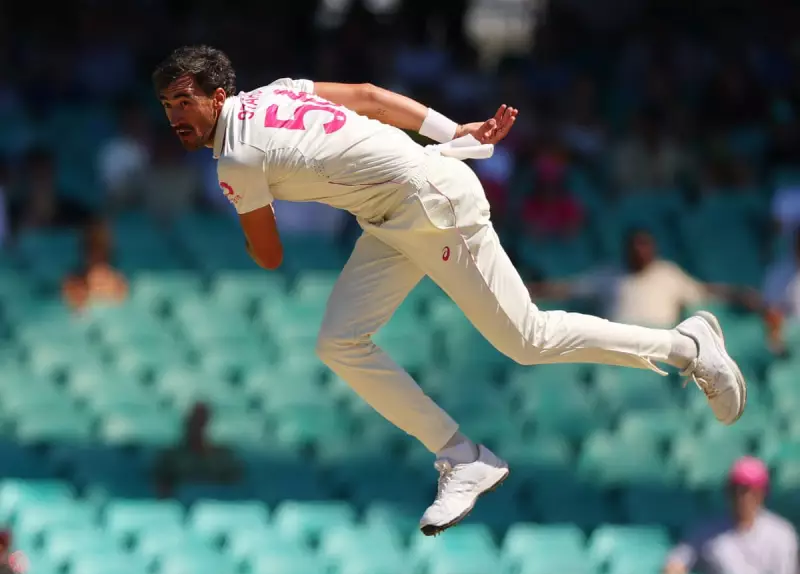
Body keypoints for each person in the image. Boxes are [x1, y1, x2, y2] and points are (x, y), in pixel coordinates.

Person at [151, 45, 747, 537]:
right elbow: (368, 96)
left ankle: (687, 347)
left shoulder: (235, 158)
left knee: (527, 338)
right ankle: (463, 457)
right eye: (167, 105)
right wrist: (449, 129)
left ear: (219, 98)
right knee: (339, 342)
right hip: (394, 211)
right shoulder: (275, 91)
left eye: (186, 101)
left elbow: (271, 253)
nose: (177, 115)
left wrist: (246, 225)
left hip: (428, 205)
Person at [531, 229, 761, 328]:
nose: (640, 253)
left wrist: (737, 294)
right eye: (635, 248)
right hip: (619, 347)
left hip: (660, 345)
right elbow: (568, 288)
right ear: (625, 249)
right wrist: (529, 291)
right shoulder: (609, 275)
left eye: (645, 247)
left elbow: (702, 291)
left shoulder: (667, 273)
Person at [664, 457, 798, 574]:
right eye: (736, 490)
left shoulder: (782, 533)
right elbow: (677, 562)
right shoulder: (707, 530)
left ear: (761, 494)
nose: (743, 497)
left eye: (749, 491)